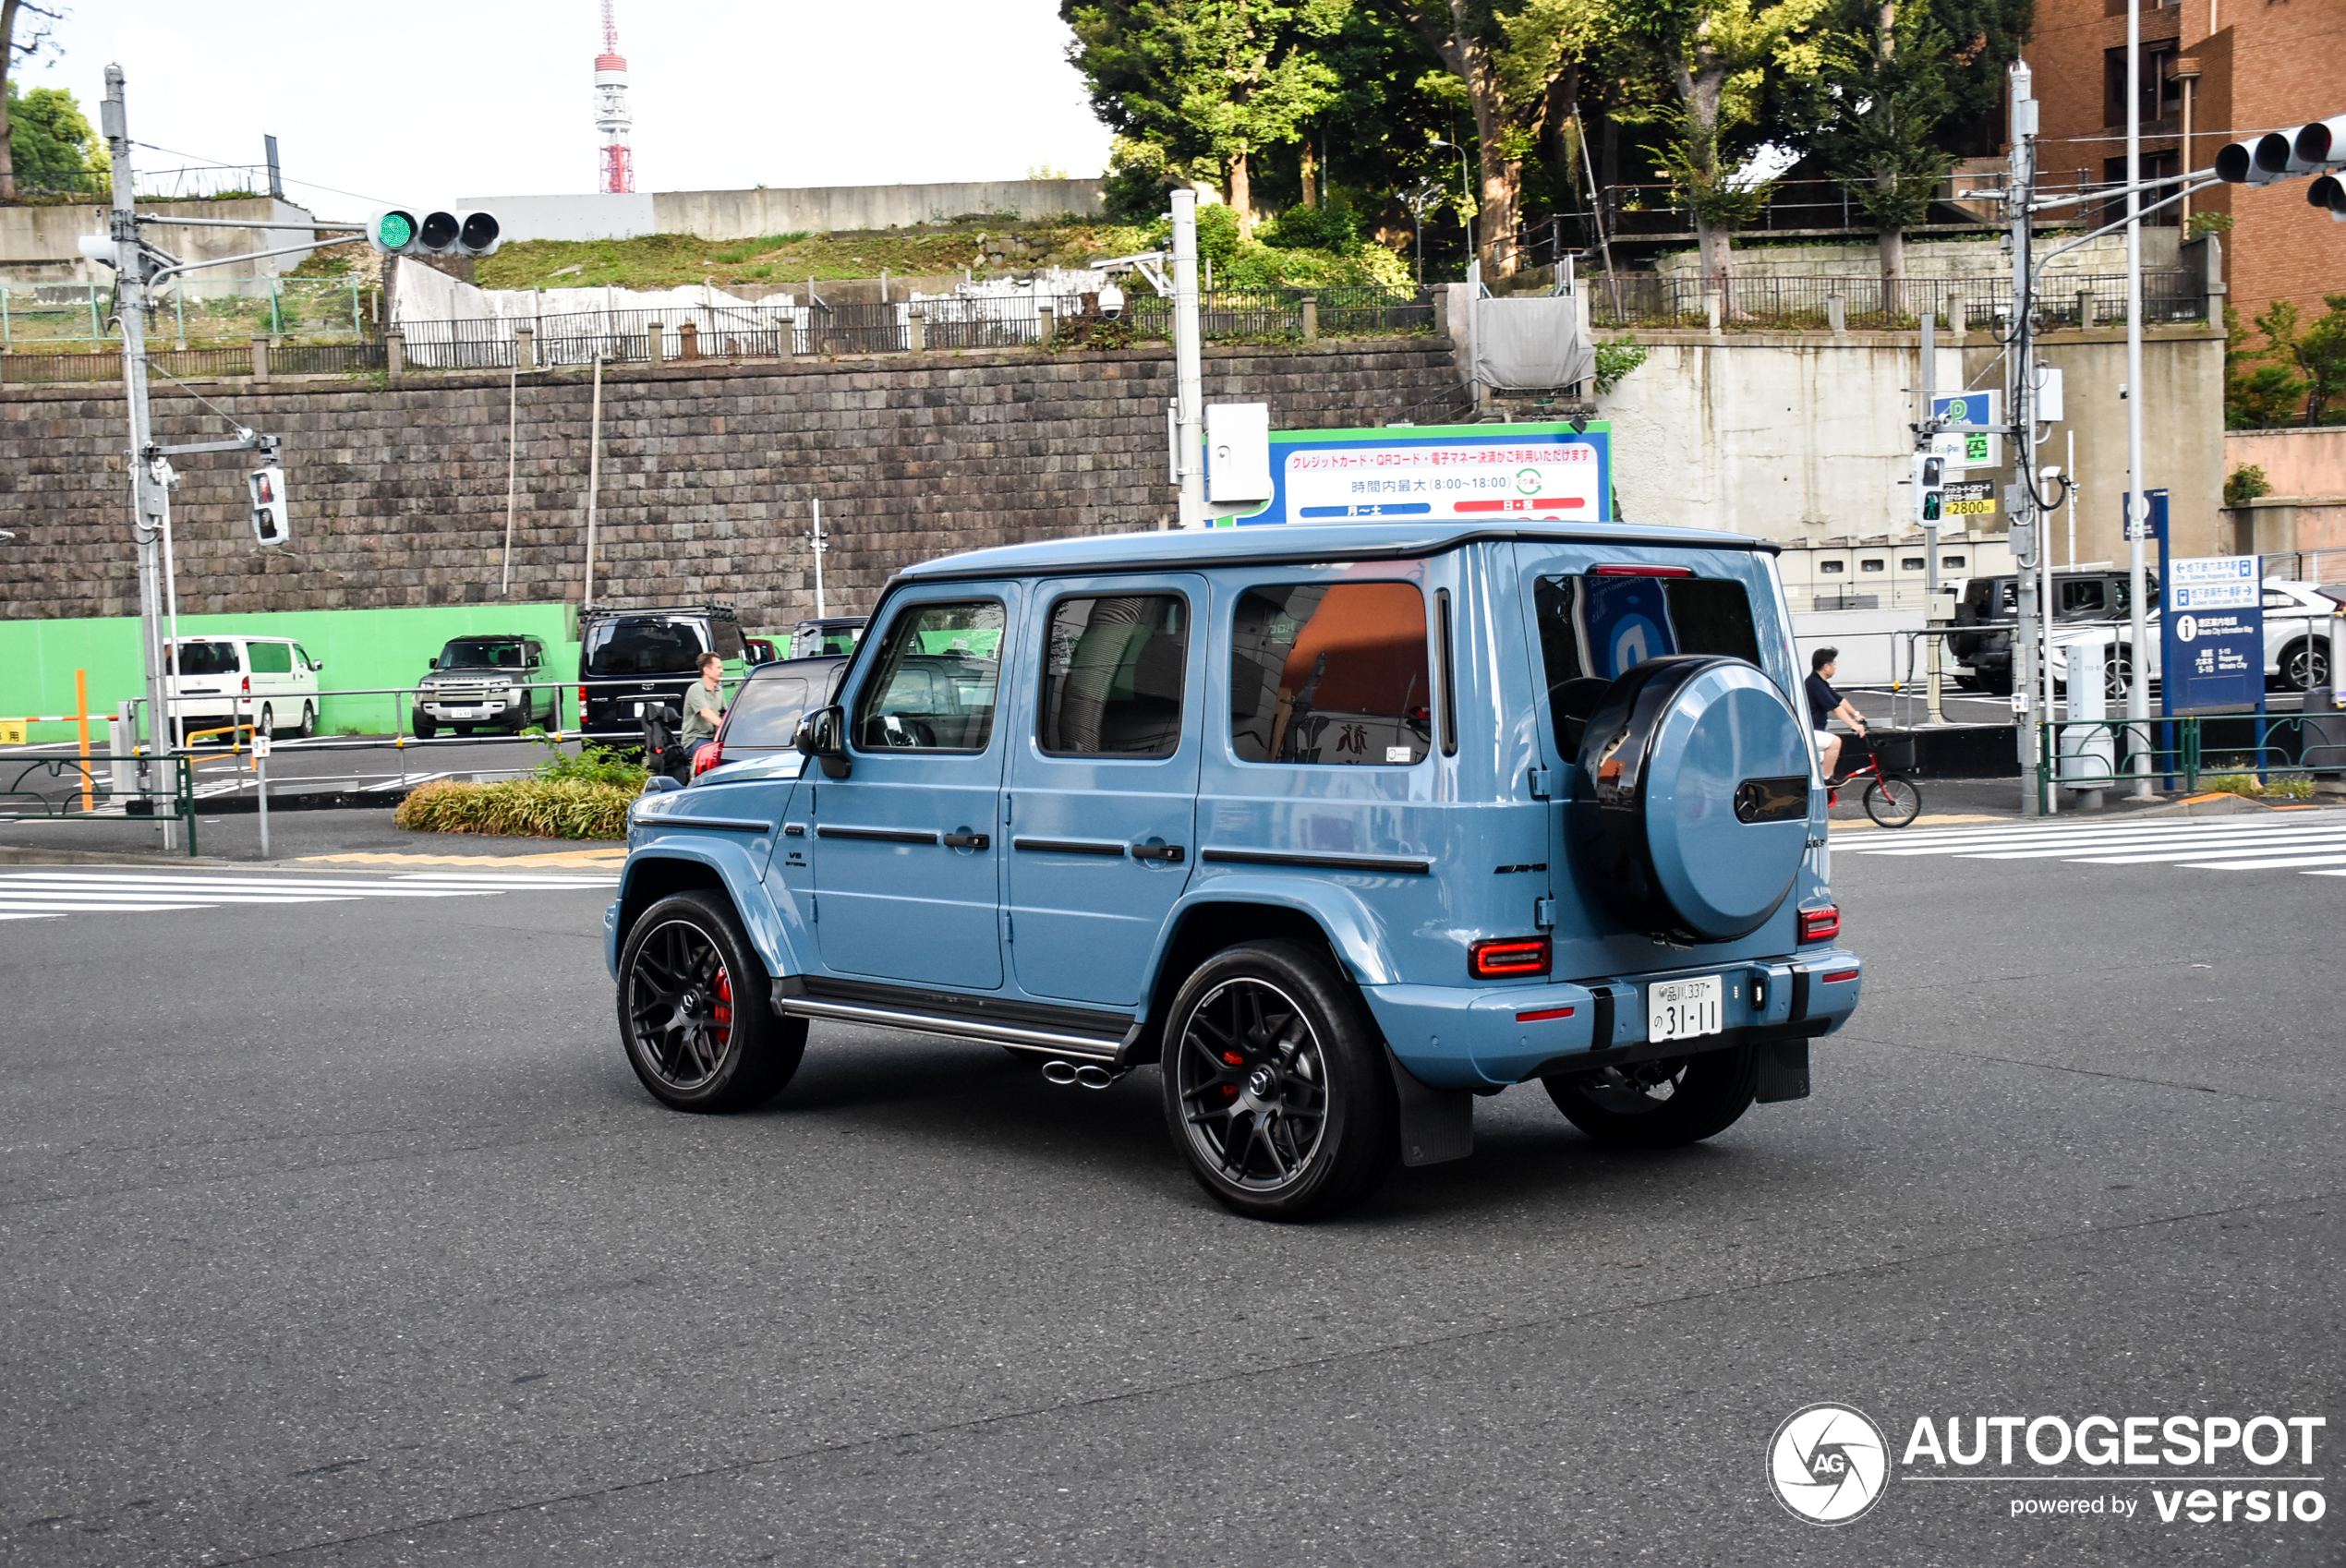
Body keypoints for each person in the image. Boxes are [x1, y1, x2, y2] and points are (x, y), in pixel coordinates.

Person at [1805, 646, 1868, 780]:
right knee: (1835, 742)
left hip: (1814, 732)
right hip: (1809, 733)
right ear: (1826, 666)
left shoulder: (1819, 682)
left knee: (1821, 763)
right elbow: (1835, 708)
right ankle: (1826, 779)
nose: (1835, 667)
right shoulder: (1814, 684)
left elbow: (1840, 700)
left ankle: (1823, 787)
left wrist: (1856, 714)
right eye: (1834, 664)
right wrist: (1853, 725)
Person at [676, 652, 726, 768]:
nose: (722, 671)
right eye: (718, 668)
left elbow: (726, 714)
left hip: (713, 739)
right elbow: (706, 713)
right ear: (707, 670)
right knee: (717, 755)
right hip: (695, 740)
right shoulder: (696, 689)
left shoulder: (719, 690)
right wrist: (724, 726)